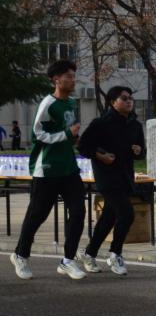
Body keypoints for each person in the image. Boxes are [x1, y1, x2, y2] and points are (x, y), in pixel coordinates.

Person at [9, 59, 87, 281]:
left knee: (78, 212)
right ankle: (20, 255)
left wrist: (75, 139)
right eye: (68, 76)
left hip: (69, 167)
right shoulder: (48, 104)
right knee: (37, 215)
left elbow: (68, 132)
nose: (73, 80)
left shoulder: (71, 103)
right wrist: (67, 135)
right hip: (47, 168)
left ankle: (68, 260)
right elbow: (37, 135)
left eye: (74, 76)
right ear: (56, 79)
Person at [76, 86, 146, 276]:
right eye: (124, 98)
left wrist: (138, 151)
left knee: (109, 217)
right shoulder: (101, 123)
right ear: (113, 102)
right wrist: (101, 156)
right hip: (106, 176)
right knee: (127, 214)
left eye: (130, 98)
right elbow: (83, 146)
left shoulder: (135, 125)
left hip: (125, 176)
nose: (129, 101)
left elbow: (141, 152)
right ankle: (115, 254)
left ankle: (89, 253)